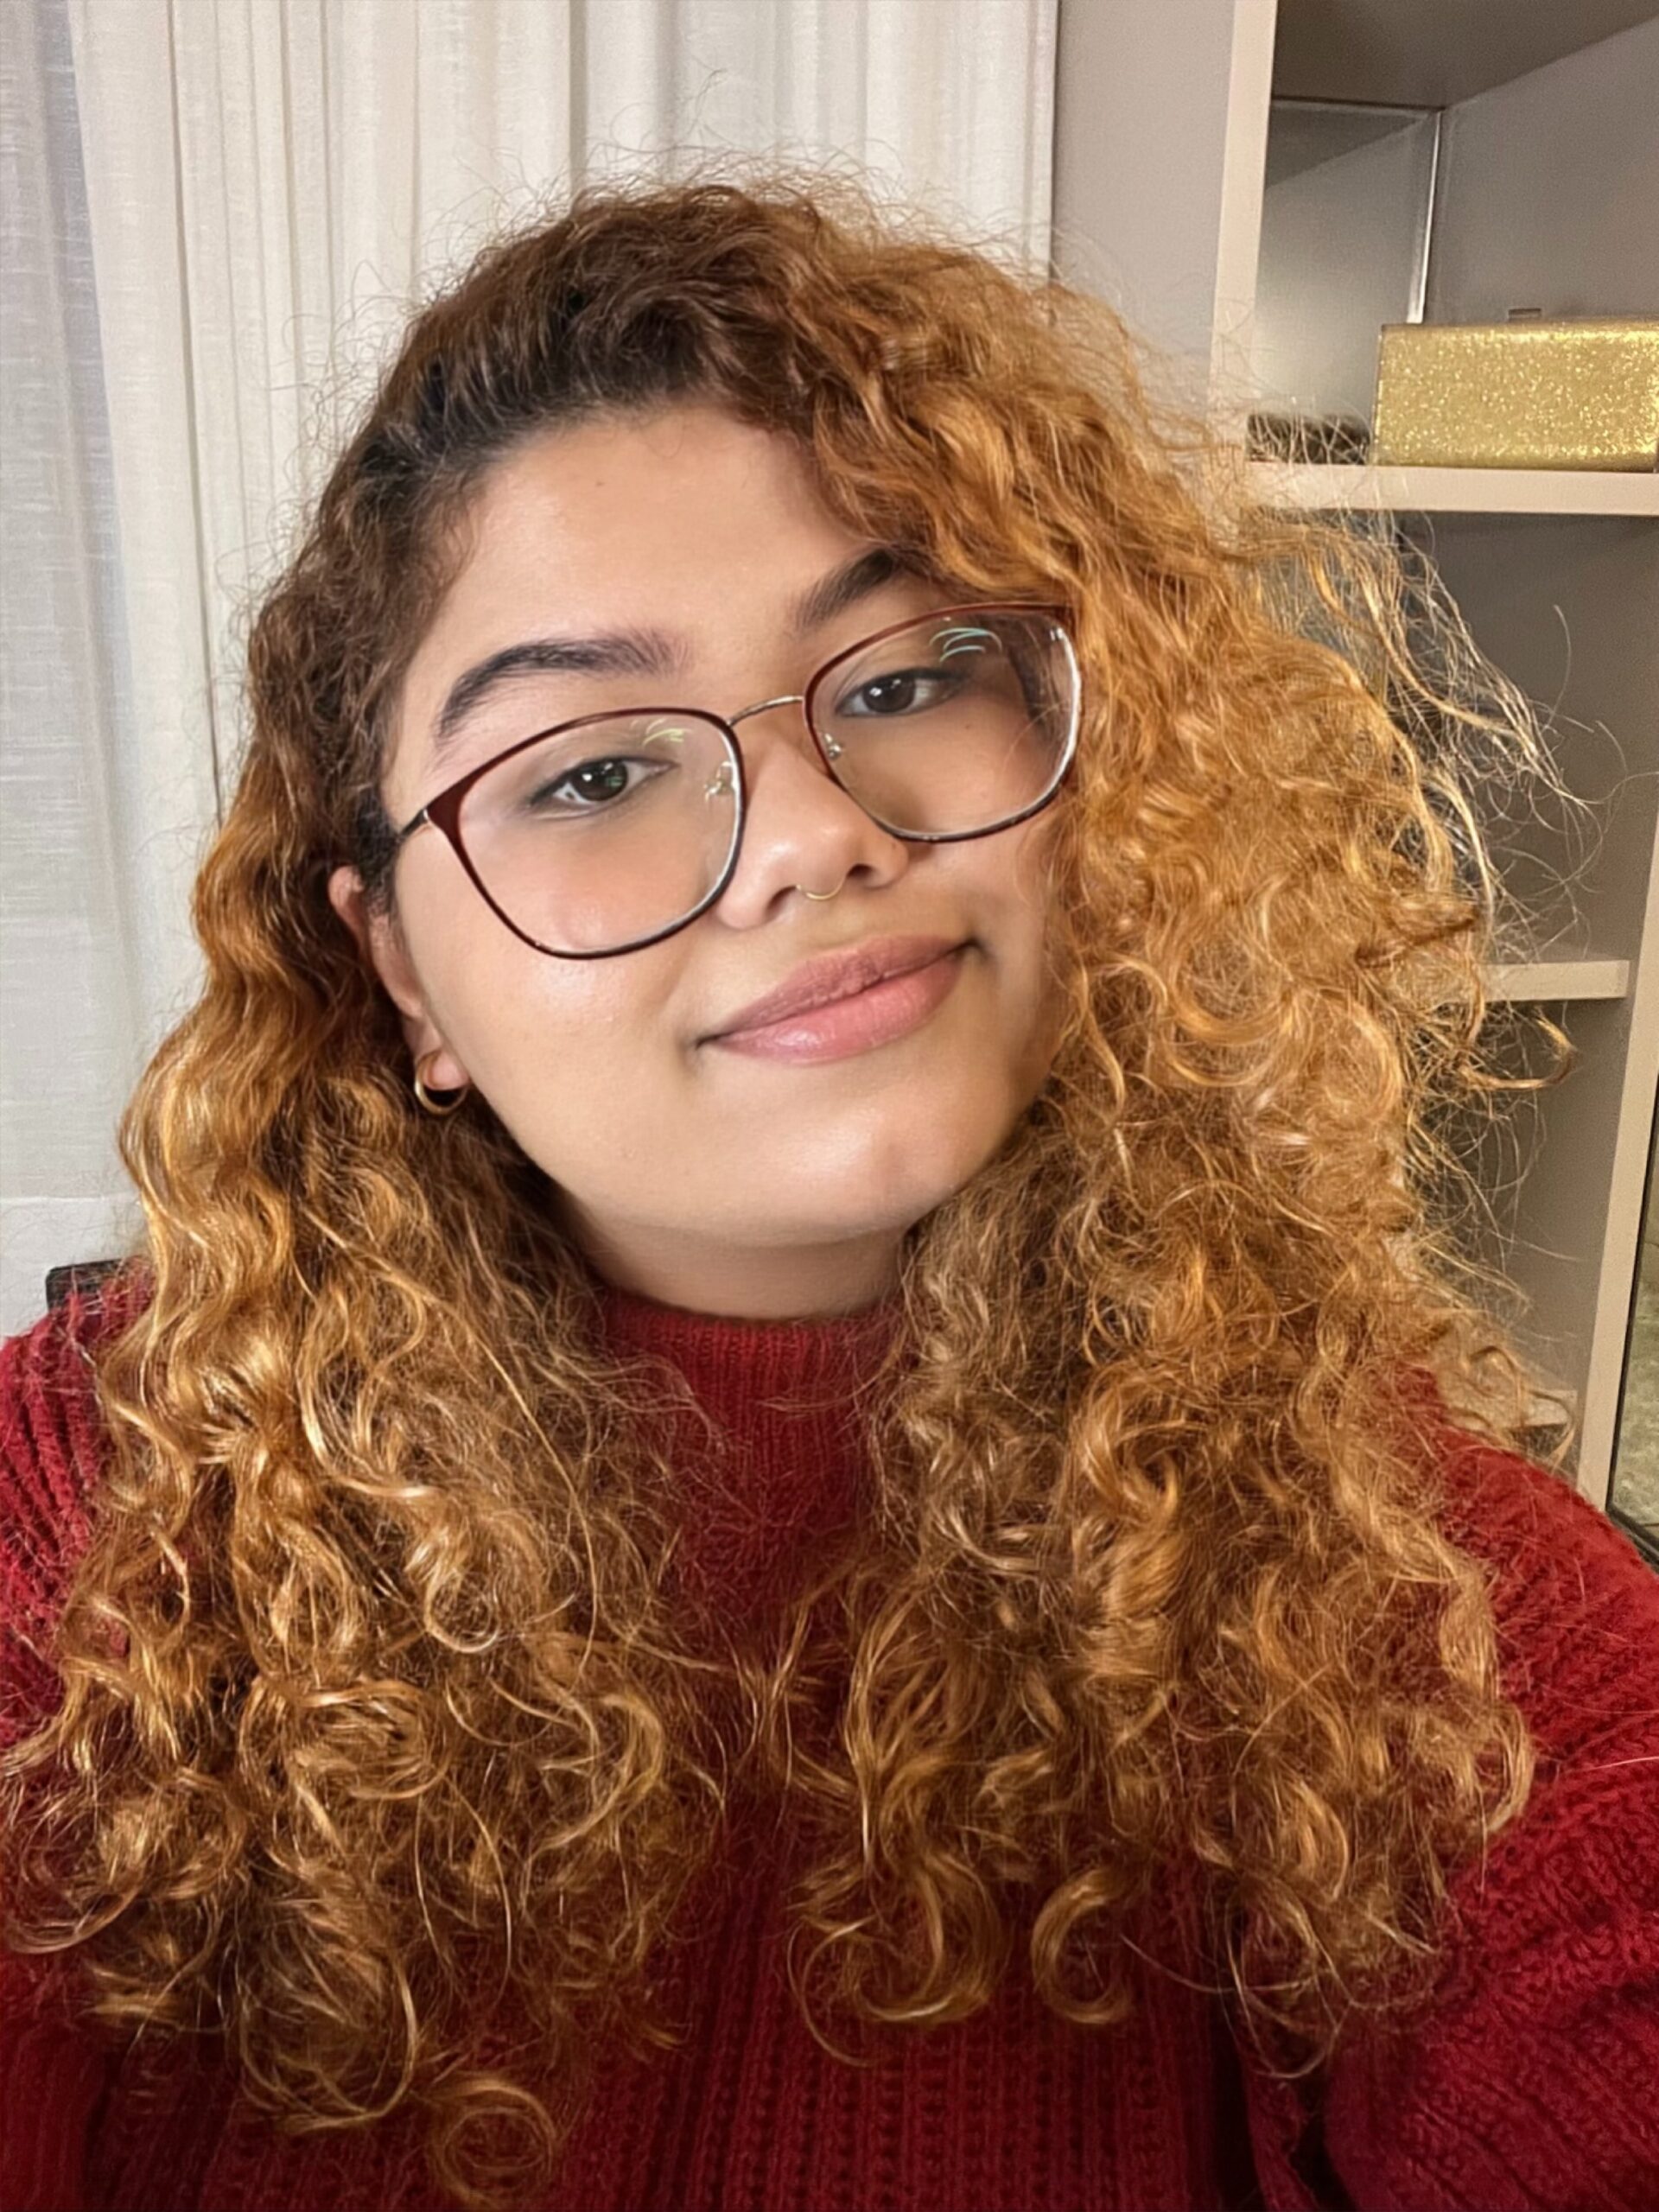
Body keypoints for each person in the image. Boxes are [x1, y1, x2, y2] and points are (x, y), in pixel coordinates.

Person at [3, 162, 1656, 2212]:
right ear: (402, 966)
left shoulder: (1408, 1588)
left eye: (900, 679)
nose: (807, 834)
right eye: (593, 769)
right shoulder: (89, 1531)